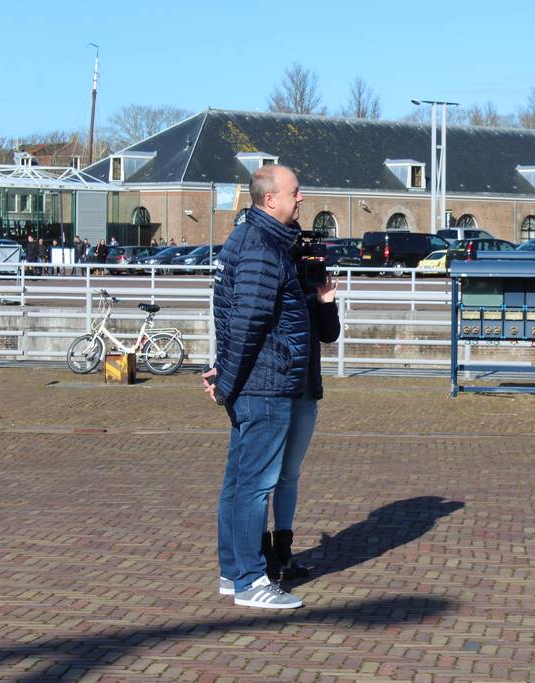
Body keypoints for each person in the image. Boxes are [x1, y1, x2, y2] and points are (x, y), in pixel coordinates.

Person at [203, 164, 310, 610]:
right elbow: (245, 321)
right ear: (271, 199)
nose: (301, 199)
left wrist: (224, 375)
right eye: (295, 192)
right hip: (264, 385)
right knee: (254, 486)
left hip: (255, 381)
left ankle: (233, 571)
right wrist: (227, 380)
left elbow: (229, 315)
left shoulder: (248, 238)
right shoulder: (264, 247)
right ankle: (249, 579)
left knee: (239, 482)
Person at [261, 229, 340, 583]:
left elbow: (329, 334)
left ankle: (284, 551)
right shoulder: (273, 277)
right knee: (264, 476)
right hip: (275, 389)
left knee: (290, 473)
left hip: (306, 390)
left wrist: (325, 300)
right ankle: (262, 555)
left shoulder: (311, 285)